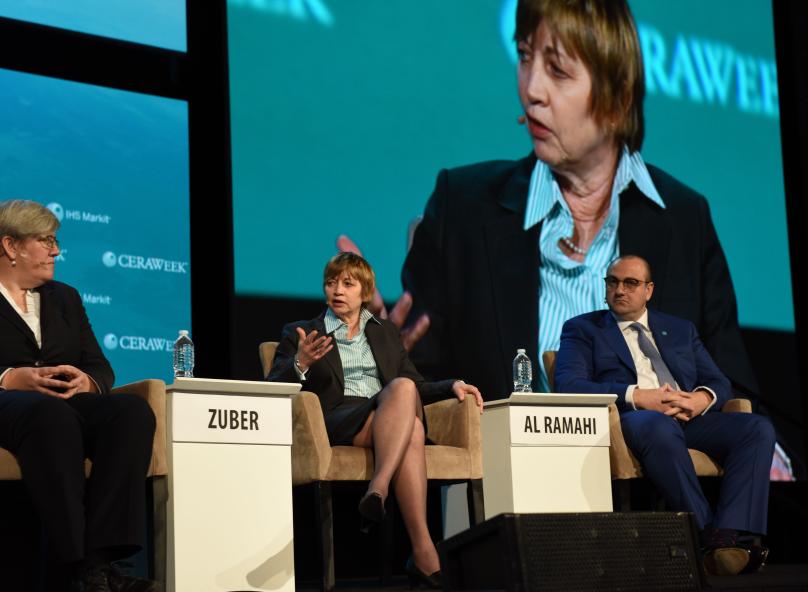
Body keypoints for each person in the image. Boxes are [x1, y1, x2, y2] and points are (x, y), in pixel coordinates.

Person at [389, 0, 758, 402]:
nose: (531, 89)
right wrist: (378, 353)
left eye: (558, 70)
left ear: (617, 100)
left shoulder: (686, 219)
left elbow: (733, 391)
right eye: (525, 56)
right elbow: (425, 381)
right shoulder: (461, 207)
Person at [0, 200, 158, 592]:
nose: (56, 251)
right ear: (11, 246)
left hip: (63, 405)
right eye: (46, 241)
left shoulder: (64, 297)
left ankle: (100, 562)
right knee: (48, 414)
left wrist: (86, 382)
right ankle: (72, 561)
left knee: (130, 412)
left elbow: (100, 365)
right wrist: (9, 377)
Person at [267, 252, 482, 588]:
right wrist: (300, 363)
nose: (337, 290)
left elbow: (416, 384)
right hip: (336, 419)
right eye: (331, 283)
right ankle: (392, 506)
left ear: (365, 292)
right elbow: (270, 388)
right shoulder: (304, 332)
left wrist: (452, 384)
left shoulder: (385, 332)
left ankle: (416, 544)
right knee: (406, 410)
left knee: (408, 415)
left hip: (383, 416)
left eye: (347, 283)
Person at [554, 255, 775, 576]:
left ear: (649, 290)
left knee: (757, 428)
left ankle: (730, 534)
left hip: (689, 420)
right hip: (633, 419)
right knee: (657, 425)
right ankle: (707, 532)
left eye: (630, 283)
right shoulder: (584, 329)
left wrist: (701, 399)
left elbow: (718, 382)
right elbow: (569, 385)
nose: (619, 290)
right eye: (612, 282)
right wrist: (638, 396)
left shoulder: (680, 329)